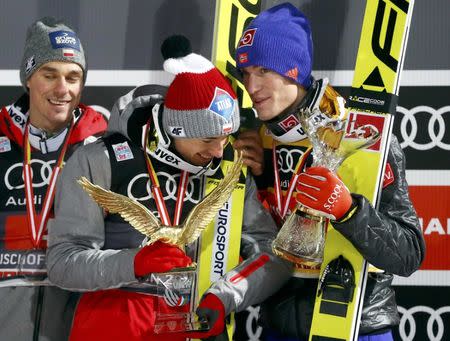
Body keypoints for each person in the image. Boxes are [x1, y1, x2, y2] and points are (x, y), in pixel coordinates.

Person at [46, 35, 292, 341]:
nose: (219, 151)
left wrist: (225, 296)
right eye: (207, 140)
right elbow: (62, 264)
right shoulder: (103, 158)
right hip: (114, 321)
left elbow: (275, 254)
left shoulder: (227, 164)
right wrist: (134, 262)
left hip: (193, 319)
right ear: (177, 129)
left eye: (224, 138)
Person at [234, 3, 425, 341]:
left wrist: (349, 211)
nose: (251, 85)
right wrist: (246, 186)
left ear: (293, 69)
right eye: (245, 73)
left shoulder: (363, 133)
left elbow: (408, 254)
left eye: (263, 70)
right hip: (278, 327)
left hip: (357, 327)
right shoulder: (254, 139)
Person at [0, 17, 107, 340]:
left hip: (75, 309)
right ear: (29, 78)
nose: (63, 89)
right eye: (50, 75)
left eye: (74, 77)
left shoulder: (102, 141)